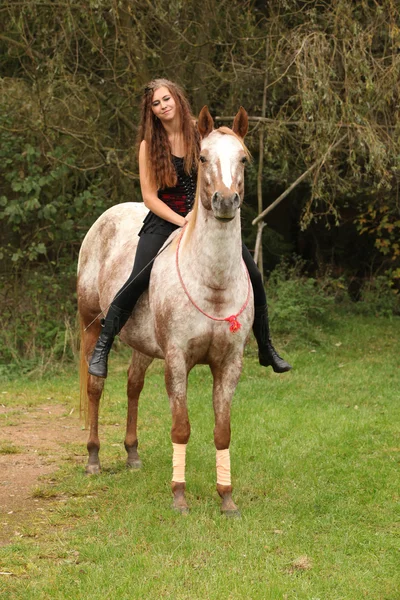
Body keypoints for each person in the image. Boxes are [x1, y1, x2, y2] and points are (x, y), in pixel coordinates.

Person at [88, 79, 292, 378]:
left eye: (166, 99)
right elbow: (148, 197)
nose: (163, 106)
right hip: (164, 219)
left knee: (255, 276)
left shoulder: (200, 134)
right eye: (156, 104)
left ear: (177, 99)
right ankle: (103, 346)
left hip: (204, 219)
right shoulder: (149, 145)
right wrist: (181, 220)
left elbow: (224, 153)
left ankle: (266, 346)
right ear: (152, 111)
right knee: (137, 276)